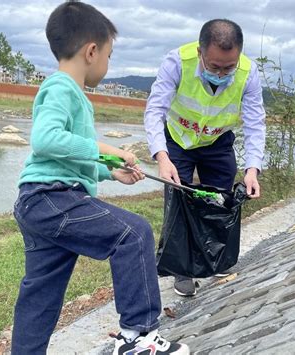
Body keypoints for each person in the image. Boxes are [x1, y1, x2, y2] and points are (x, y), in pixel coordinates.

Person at [11, 2, 189, 355]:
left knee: (41, 295)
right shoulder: (62, 87)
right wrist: (107, 148)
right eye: (109, 55)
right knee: (133, 233)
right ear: (92, 51)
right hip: (51, 198)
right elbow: (45, 140)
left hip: (42, 199)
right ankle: (138, 337)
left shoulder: (67, 91)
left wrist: (108, 171)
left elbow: (61, 158)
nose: (108, 65)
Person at [144, 19, 266, 296]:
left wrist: (252, 169)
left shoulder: (248, 73)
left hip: (218, 140)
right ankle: (182, 270)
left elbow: (255, 123)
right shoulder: (177, 62)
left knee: (220, 200)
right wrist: (162, 158)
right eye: (214, 67)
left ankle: (216, 259)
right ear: (200, 53)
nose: (222, 74)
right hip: (179, 139)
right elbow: (155, 111)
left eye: (228, 67)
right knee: (179, 202)